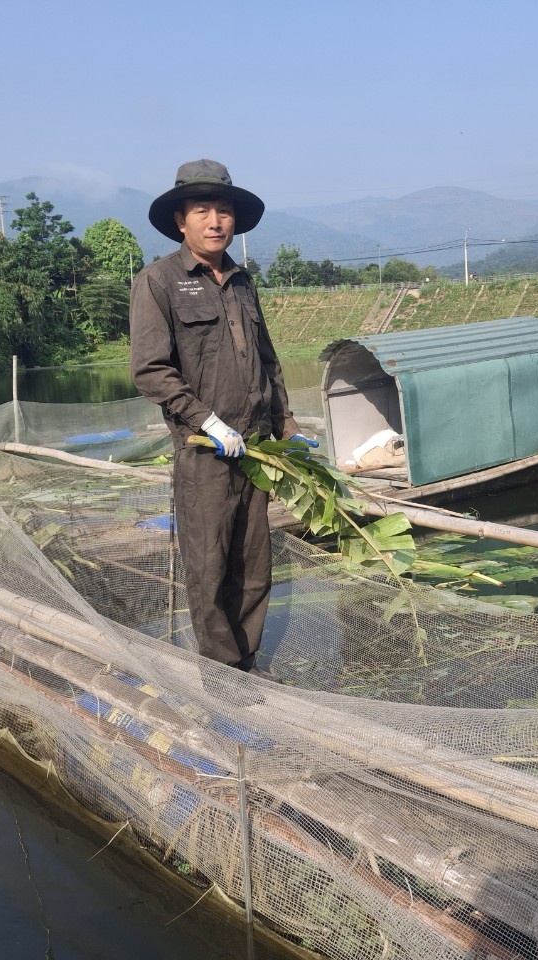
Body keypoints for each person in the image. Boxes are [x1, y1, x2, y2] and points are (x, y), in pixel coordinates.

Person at [130, 159, 314, 673]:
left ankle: (246, 665)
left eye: (224, 211)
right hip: (207, 454)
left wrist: (289, 427)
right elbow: (150, 370)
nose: (216, 221)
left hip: (257, 452)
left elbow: (268, 361)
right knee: (209, 570)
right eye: (203, 210)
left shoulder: (241, 281)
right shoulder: (159, 282)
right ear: (180, 221)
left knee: (255, 568)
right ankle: (221, 679)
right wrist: (207, 421)